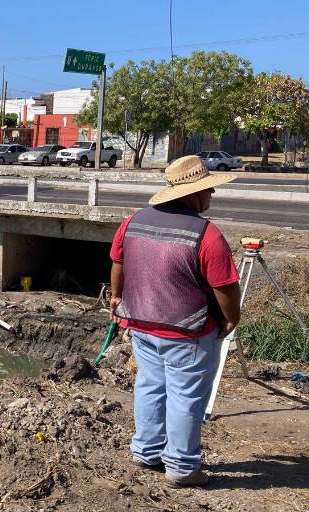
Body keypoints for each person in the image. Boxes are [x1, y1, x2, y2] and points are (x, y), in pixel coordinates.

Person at [109, 155, 241, 488]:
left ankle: (147, 451)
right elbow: (225, 286)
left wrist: (116, 296)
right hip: (188, 333)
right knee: (186, 397)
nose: (212, 195)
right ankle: (182, 467)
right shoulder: (206, 235)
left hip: (141, 324)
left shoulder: (133, 221)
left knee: (150, 386)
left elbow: (118, 263)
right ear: (193, 193)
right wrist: (231, 319)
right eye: (208, 189)